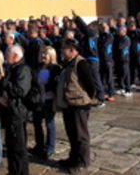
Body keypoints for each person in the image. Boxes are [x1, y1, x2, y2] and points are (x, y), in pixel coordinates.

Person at [56, 39, 97, 174]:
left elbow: (91, 84)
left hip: (79, 105)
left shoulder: (81, 63)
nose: (62, 51)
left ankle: (83, 162)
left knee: (81, 136)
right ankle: (73, 158)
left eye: (64, 49)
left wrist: (87, 98)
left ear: (72, 50)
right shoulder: (68, 63)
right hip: (69, 104)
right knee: (72, 134)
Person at [1, 44, 31, 175]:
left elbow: (20, 90)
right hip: (9, 110)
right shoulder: (12, 69)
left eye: (7, 55)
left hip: (17, 112)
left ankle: (21, 172)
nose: (5, 58)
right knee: (11, 146)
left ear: (16, 56)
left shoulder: (23, 70)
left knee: (18, 147)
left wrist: (4, 83)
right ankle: (13, 170)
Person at [30, 45, 60, 160]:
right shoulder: (38, 67)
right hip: (38, 99)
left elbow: (53, 84)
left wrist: (41, 88)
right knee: (37, 122)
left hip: (48, 99)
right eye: (42, 53)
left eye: (45, 54)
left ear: (51, 56)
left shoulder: (55, 68)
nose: (43, 56)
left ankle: (50, 147)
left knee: (49, 123)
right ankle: (39, 145)